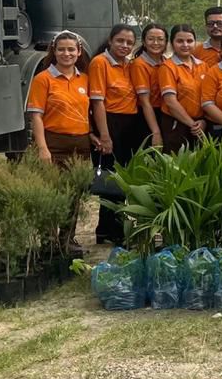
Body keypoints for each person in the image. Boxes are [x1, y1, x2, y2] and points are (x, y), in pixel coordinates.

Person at [89, 24, 145, 244]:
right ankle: (109, 230)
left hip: (129, 125)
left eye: (129, 43)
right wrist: (104, 135)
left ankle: (110, 228)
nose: (124, 46)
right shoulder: (100, 63)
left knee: (122, 180)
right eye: (120, 41)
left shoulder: (128, 65)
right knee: (110, 182)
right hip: (110, 123)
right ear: (110, 40)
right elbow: (98, 102)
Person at [26, 31, 94, 166]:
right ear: (54, 52)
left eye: (71, 49)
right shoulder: (42, 79)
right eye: (61, 49)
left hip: (82, 145)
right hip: (54, 144)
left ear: (79, 52)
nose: (66, 53)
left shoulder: (85, 79)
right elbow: (36, 117)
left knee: (80, 185)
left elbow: (87, 113)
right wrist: (42, 148)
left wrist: (91, 134)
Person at [159, 24, 209, 153]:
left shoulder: (203, 66)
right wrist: (192, 124)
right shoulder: (167, 67)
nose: (185, 45)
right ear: (172, 43)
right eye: (180, 41)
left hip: (200, 124)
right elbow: (170, 101)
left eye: (189, 41)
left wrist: (203, 121)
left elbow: (209, 97)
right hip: (176, 124)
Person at [131, 23, 167, 150]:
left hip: (163, 114)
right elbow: (144, 102)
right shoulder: (139, 64)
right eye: (151, 39)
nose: (156, 43)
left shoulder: (166, 62)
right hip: (146, 116)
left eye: (160, 39)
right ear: (144, 42)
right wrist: (155, 132)